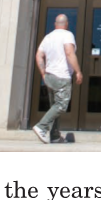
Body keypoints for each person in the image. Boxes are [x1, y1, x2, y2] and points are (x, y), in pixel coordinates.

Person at [34, 12, 83, 144]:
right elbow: (69, 52)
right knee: (61, 105)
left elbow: (39, 55)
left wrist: (43, 73)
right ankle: (41, 126)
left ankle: (55, 136)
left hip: (49, 76)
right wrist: (78, 71)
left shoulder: (48, 37)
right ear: (66, 24)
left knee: (54, 107)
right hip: (62, 76)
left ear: (55, 24)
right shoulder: (67, 35)